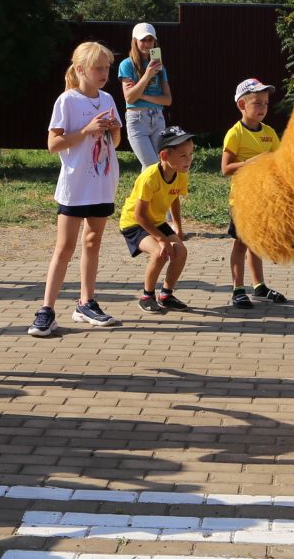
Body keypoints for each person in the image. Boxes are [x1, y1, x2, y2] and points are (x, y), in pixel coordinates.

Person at [29, 42, 122, 336]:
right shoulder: (67, 101)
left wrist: (110, 130)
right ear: (81, 69)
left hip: (103, 182)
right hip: (75, 185)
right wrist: (85, 131)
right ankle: (46, 309)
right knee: (65, 247)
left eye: (107, 68)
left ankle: (86, 302)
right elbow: (52, 144)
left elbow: (116, 142)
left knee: (92, 242)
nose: (104, 73)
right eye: (98, 68)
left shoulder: (107, 98)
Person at [220, 78, 288, 310]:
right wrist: (251, 163)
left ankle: (259, 286)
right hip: (242, 200)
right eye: (257, 103)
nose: (263, 108)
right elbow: (225, 169)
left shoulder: (269, 133)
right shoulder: (235, 134)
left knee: (256, 244)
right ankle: (238, 289)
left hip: (263, 199)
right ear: (242, 105)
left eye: (266, 103)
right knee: (241, 244)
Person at [121, 126, 194, 313]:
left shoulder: (181, 174)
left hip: (156, 221)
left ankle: (166, 295)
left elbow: (175, 198)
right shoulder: (149, 178)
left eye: (190, 154)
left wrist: (177, 225)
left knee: (180, 252)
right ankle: (147, 296)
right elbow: (139, 215)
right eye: (183, 155)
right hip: (134, 223)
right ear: (164, 156)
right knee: (160, 252)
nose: (189, 160)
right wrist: (161, 239)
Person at [118, 21, 172, 168]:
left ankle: (145, 192)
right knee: (152, 166)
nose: (147, 44)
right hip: (137, 119)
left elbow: (167, 100)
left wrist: (142, 96)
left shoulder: (160, 68)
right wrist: (147, 75)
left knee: (158, 166)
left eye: (150, 40)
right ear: (135, 41)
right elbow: (129, 97)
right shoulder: (127, 65)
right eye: (143, 40)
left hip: (158, 118)